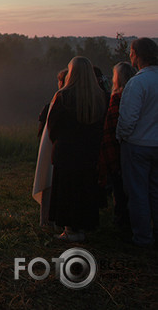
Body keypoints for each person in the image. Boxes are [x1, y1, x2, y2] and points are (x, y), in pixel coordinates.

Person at [47, 56, 107, 242]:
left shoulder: (63, 96)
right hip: (89, 152)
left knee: (67, 191)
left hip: (66, 152)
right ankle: (81, 227)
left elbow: (52, 127)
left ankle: (69, 230)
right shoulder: (101, 97)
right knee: (85, 190)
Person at [116, 37, 158, 248]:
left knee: (138, 193)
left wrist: (121, 137)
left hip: (138, 145)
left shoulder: (137, 82)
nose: (130, 55)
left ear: (137, 54)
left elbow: (128, 119)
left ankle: (142, 238)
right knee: (155, 191)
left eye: (131, 52)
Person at [98, 62, 136, 232]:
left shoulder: (118, 98)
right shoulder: (135, 95)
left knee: (120, 190)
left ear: (118, 78)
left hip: (120, 147)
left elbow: (112, 127)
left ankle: (123, 224)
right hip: (138, 146)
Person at [32, 67, 68, 227]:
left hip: (58, 149)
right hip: (60, 148)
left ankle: (48, 220)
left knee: (50, 181)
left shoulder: (59, 99)